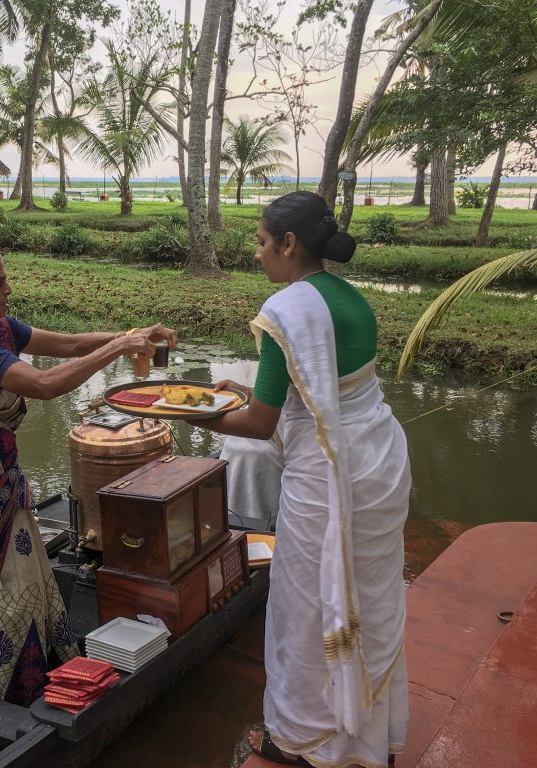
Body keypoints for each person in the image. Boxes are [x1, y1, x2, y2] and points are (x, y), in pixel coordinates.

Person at [0, 245, 177, 706]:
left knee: (20, 583)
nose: (9, 288)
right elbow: (45, 385)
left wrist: (133, 333)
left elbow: (68, 345)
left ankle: (26, 678)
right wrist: (119, 347)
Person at [197, 192, 410, 768]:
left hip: (328, 482)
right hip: (379, 464)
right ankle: (366, 731)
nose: (259, 254)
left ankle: (299, 738)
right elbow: (328, 393)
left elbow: (260, 423)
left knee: (307, 607)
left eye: (263, 243)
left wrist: (192, 412)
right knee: (365, 599)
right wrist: (244, 395)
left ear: (289, 245)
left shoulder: (287, 312)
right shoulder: (352, 299)